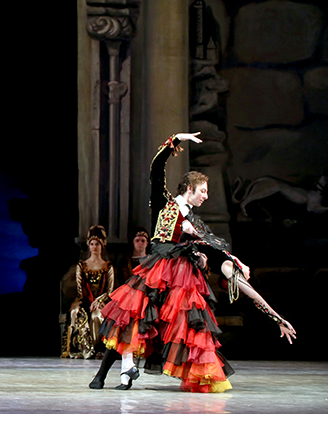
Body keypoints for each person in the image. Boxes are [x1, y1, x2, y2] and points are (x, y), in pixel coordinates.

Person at [88, 132, 296, 393]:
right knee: (129, 316)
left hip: (179, 284)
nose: (206, 196)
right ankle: (103, 374)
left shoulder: (197, 226)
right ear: (190, 189)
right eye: (203, 191)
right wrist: (176, 139)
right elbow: (156, 168)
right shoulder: (165, 204)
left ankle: (153, 372)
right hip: (155, 273)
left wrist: (276, 316)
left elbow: (220, 254)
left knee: (183, 328)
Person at [61, 225, 115, 359]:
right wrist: (86, 301)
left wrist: (98, 301)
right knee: (75, 312)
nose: (94, 247)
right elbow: (80, 289)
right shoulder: (82, 265)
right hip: (85, 299)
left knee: (97, 315)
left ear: (102, 246)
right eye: (92, 244)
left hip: (102, 300)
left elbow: (110, 290)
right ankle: (80, 348)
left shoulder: (108, 267)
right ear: (88, 246)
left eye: (97, 244)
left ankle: (98, 348)